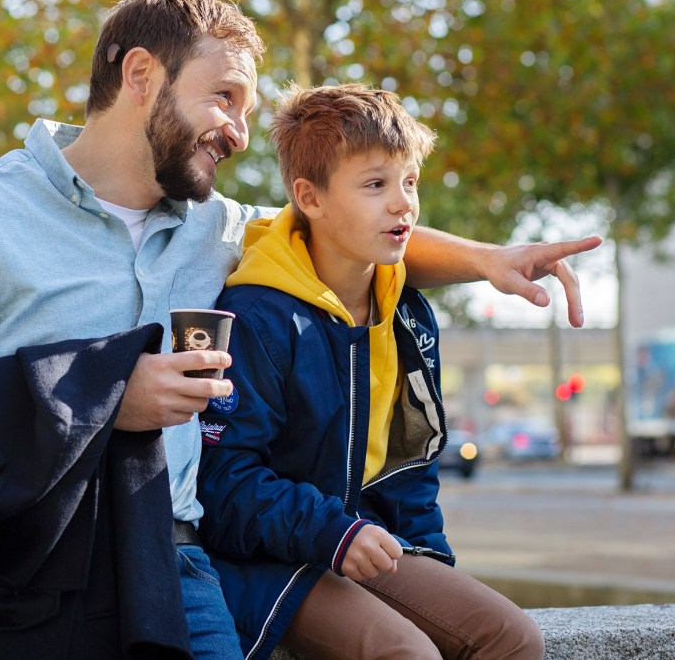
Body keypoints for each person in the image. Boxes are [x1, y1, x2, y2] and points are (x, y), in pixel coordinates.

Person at [0, 0, 599, 659]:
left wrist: (492, 258)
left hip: (170, 562)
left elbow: (342, 227)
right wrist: (103, 401)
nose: (240, 132)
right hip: (8, 564)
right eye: (226, 97)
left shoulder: (220, 229)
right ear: (142, 76)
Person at [196, 83, 546, 659]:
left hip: (368, 544)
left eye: (409, 182)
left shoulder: (406, 312)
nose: (403, 204)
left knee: (512, 637)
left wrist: (431, 566)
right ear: (309, 198)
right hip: (265, 561)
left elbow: (410, 465)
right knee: (404, 653)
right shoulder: (258, 316)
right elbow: (222, 480)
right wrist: (334, 534)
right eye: (375, 184)